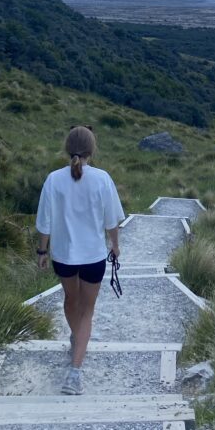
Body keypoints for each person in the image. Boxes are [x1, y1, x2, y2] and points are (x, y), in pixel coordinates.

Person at [35, 125, 125, 395]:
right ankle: (75, 372)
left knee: (70, 300)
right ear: (92, 149)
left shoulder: (53, 179)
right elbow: (112, 220)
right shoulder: (102, 179)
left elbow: (44, 223)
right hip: (93, 256)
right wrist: (116, 246)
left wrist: (42, 252)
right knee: (87, 310)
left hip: (63, 256)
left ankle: (77, 338)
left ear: (67, 148)